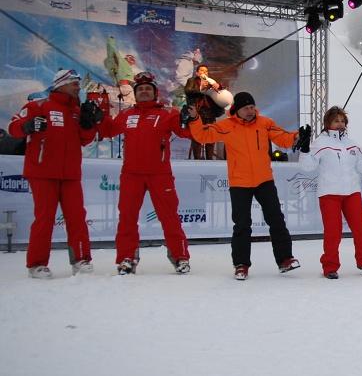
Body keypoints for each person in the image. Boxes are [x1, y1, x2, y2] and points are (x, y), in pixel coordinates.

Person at [186, 92, 302, 280]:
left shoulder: (264, 122)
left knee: (276, 220)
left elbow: (282, 137)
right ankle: (241, 264)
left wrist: (296, 137)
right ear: (236, 110)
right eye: (246, 108)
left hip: (264, 179)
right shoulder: (227, 125)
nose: (250, 111)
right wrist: (194, 119)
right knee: (241, 225)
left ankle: (285, 259)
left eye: (252, 107)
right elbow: (202, 136)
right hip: (239, 182)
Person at [8, 69, 102, 278]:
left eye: (78, 83)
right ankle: (37, 264)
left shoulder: (76, 111)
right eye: (74, 83)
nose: (78, 87)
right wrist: (27, 126)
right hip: (42, 172)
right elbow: (12, 127)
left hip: (70, 174)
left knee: (77, 217)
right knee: (45, 218)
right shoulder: (37, 105)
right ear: (61, 84)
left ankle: (81, 259)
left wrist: (89, 124)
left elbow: (84, 140)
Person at [98, 72, 193, 275]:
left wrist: (189, 119)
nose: (144, 91)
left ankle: (180, 257)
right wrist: (101, 115)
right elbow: (108, 131)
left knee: (169, 217)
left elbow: (186, 132)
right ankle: (126, 258)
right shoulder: (126, 115)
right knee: (127, 217)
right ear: (135, 93)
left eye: (148, 89)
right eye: (140, 89)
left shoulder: (168, 113)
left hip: (160, 174)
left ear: (155, 93)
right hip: (131, 174)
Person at [299, 106, 362, 279]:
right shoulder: (320, 143)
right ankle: (330, 267)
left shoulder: (352, 143)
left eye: (342, 121)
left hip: (352, 192)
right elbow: (307, 167)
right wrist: (305, 149)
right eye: (336, 120)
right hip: (329, 193)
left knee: (361, 228)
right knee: (333, 231)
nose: (340, 124)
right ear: (327, 122)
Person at [184, 64, 226, 160]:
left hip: (210, 113)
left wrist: (219, 86)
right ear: (197, 73)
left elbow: (221, 92)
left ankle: (209, 160)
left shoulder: (211, 81)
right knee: (197, 137)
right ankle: (197, 160)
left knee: (210, 137)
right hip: (196, 112)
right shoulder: (192, 81)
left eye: (206, 71)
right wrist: (201, 89)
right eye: (202, 71)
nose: (204, 73)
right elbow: (188, 91)